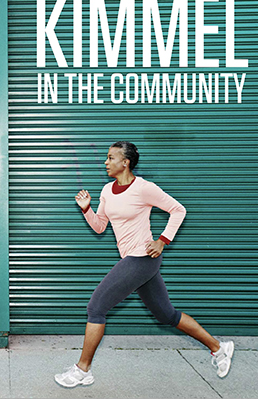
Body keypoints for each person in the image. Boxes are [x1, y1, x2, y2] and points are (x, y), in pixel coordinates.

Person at [54, 141, 234, 388]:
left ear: (125, 162)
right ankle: (219, 348)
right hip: (133, 260)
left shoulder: (144, 188)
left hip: (142, 258)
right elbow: (100, 227)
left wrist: (162, 240)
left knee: (96, 307)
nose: (105, 162)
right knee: (166, 315)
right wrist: (87, 209)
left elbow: (178, 210)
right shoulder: (107, 190)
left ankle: (82, 370)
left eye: (110, 158)